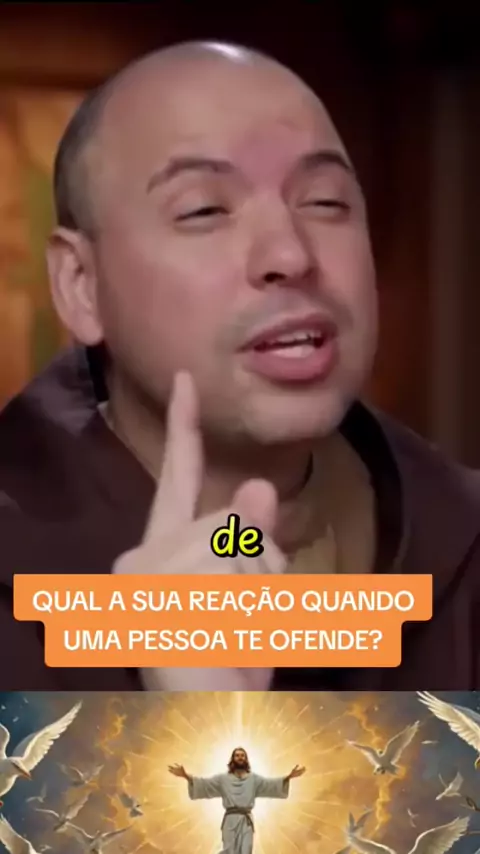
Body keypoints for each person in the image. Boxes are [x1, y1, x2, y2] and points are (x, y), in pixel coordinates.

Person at [0, 40, 478, 692]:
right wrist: (190, 731)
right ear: (81, 284)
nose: (290, 255)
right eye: (204, 210)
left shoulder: (459, 540)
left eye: (325, 202)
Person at [168, 747, 305, 854]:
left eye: (242, 755)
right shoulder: (223, 779)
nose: (240, 757)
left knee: (246, 850)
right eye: (237, 755)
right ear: (232, 759)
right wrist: (185, 775)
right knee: (229, 851)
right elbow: (205, 784)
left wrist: (289, 777)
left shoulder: (254, 779)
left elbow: (271, 784)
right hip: (230, 820)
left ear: (246, 759)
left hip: (246, 821)